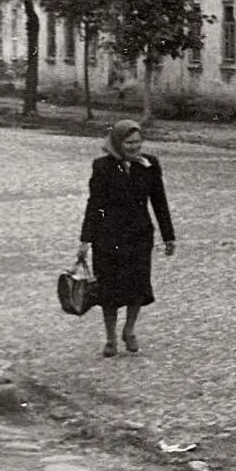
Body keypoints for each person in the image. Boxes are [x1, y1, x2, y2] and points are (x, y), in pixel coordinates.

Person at [78, 120, 176, 357]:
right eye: (128, 143)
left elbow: (159, 200)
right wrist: (85, 240)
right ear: (117, 142)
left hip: (139, 236)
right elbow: (95, 205)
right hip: (108, 238)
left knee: (138, 286)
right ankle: (110, 337)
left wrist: (168, 236)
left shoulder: (150, 164)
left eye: (137, 142)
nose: (134, 147)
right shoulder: (102, 166)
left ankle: (129, 330)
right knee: (109, 289)